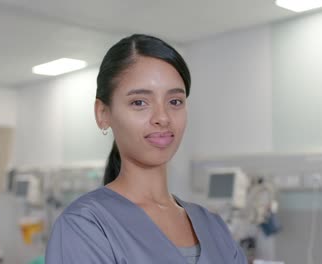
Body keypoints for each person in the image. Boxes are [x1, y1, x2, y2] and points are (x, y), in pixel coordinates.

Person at [45, 34, 247, 264]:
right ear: (103, 114)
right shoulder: (85, 225)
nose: (163, 118)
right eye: (139, 102)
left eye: (175, 102)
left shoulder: (213, 225)